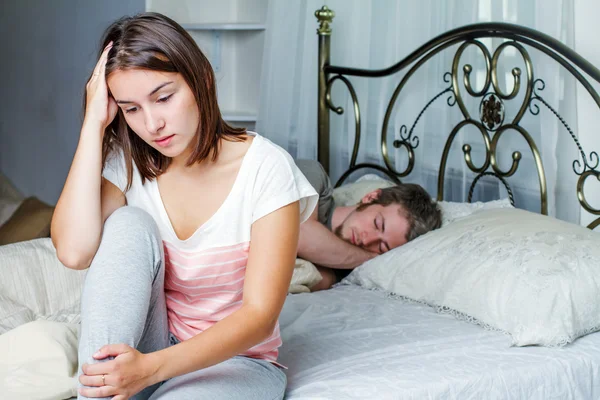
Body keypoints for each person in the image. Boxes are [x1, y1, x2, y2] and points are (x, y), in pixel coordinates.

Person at [51, 12, 317, 400]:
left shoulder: (267, 168)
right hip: (148, 349)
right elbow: (74, 251)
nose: (153, 124)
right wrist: (93, 124)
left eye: (163, 97)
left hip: (234, 364)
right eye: (131, 109)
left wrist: (148, 370)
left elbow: (259, 318)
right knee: (127, 223)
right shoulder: (131, 162)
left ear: (201, 80)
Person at [295, 160, 441, 291]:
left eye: (381, 247)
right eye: (377, 224)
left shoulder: (341, 272)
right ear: (370, 197)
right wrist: (370, 257)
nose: (367, 240)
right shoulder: (312, 174)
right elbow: (299, 233)